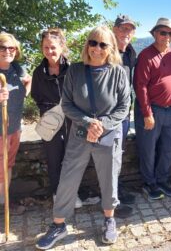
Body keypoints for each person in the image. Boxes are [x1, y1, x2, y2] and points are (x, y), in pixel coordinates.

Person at [35, 26, 130, 249]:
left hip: (108, 136)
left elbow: (124, 106)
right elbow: (67, 103)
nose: (97, 48)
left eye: (103, 44)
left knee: (108, 179)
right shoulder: (76, 71)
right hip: (79, 133)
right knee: (68, 179)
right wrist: (88, 123)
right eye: (93, 43)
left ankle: (109, 220)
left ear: (111, 48)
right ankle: (58, 225)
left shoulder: (119, 72)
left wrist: (102, 125)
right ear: (87, 45)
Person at [31, 28, 82, 209]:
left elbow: (80, 94)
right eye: (46, 47)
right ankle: (57, 195)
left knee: (71, 159)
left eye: (53, 47)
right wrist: (50, 111)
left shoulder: (73, 69)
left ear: (61, 47)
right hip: (51, 122)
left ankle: (72, 193)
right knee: (53, 160)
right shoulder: (38, 73)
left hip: (71, 121)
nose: (49, 51)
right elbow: (36, 96)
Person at [133, 17, 171, 200]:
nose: (167, 36)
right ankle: (149, 183)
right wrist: (147, 113)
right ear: (154, 34)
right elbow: (140, 85)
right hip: (152, 109)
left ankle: (162, 180)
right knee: (148, 148)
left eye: (170, 33)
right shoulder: (145, 55)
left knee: (168, 148)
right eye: (163, 32)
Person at [0, 32, 31, 214]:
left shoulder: (17, 69)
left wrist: (22, 95)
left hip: (13, 129)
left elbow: (28, 81)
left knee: (7, 165)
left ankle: (4, 205)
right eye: (2, 47)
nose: (7, 51)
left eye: (11, 48)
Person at [112, 15, 137, 217]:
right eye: (123, 29)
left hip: (125, 114)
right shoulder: (105, 51)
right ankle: (112, 201)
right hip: (109, 115)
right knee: (110, 157)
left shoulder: (130, 53)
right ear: (114, 29)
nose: (126, 33)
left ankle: (117, 190)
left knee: (118, 154)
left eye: (130, 30)